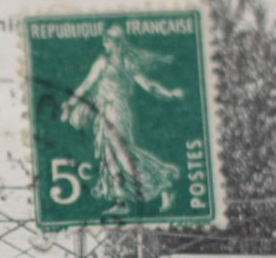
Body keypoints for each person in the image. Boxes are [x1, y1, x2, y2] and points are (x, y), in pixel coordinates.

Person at [60, 24, 184, 215]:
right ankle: (121, 201)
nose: (105, 43)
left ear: (116, 42)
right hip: (103, 112)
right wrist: (70, 104)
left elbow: (148, 85)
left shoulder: (124, 63)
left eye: (108, 40)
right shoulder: (106, 61)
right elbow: (87, 84)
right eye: (105, 39)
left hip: (117, 112)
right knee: (108, 155)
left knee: (124, 156)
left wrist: (169, 94)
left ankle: (164, 184)